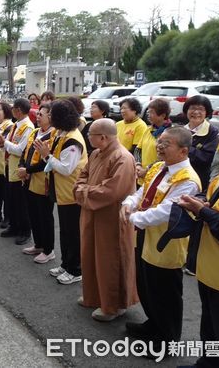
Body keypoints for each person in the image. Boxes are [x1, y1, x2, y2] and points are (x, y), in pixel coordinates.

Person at [120, 127, 201, 354]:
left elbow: (167, 211)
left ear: (184, 151)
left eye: (167, 144)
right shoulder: (158, 167)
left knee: (166, 292)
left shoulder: (188, 180)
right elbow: (143, 191)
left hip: (167, 242)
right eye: (160, 142)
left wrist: (133, 218)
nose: (160, 146)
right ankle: (154, 324)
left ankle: (168, 341)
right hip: (146, 235)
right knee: (147, 286)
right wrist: (128, 203)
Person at [74, 118, 139, 321]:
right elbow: (81, 177)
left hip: (111, 217)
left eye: (90, 135)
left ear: (102, 137)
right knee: (91, 255)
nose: (87, 137)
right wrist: (83, 189)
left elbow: (111, 191)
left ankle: (113, 305)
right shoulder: (95, 153)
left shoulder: (123, 158)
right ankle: (95, 296)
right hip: (92, 213)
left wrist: (83, 192)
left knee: (110, 260)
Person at [178, 132, 219, 368]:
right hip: (210, 270)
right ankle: (206, 363)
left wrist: (203, 211)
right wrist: (203, 204)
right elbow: (215, 205)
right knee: (209, 325)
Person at [35, 99, 87, 285]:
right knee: (65, 231)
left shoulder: (73, 139)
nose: (48, 117)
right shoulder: (61, 133)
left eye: (51, 114)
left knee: (73, 233)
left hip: (72, 193)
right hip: (62, 191)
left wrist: (46, 155)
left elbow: (66, 168)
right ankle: (66, 264)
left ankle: (76, 269)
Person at [0, 98, 34, 244]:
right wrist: (1, 143)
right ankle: (14, 226)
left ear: (19, 110)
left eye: (14, 108)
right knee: (12, 200)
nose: (12, 111)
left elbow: (21, 149)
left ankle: (25, 231)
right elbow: (8, 145)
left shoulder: (28, 127)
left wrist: (4, 143)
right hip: (10, 166)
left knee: (21, 202)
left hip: (19, 168)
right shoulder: (16, 125)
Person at [18, 103, 56, 263]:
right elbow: (25, 152)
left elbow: (46, 162)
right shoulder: (34, 132)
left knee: (45, 216)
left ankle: (49, 250)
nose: (38, 117)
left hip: (43, 182)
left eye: (42, 114)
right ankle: (38, 244)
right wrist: (21, 166)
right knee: (33, 213)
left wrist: (28, 170)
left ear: (51, 117)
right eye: (38, 114)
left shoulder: (54, 135)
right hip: (28, 180)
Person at [183, 95, 219, 192]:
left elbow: (206, 158)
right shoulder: (180, 130)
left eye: (200, 109)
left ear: (206, 112)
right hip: (179, 177)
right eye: (192, 108)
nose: (196, 112)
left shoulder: (212, 132)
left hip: (199, 181)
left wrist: (183, 148)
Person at [134, 98, 172, 184]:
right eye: (148, 112)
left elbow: (164, 157)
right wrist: (138, 165)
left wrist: (147, 170)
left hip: (156, 178)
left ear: (162, 115)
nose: (148, 115)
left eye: (151, 112)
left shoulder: (170, 133)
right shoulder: (149, 129)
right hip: (141, 177)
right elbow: (138, 149)